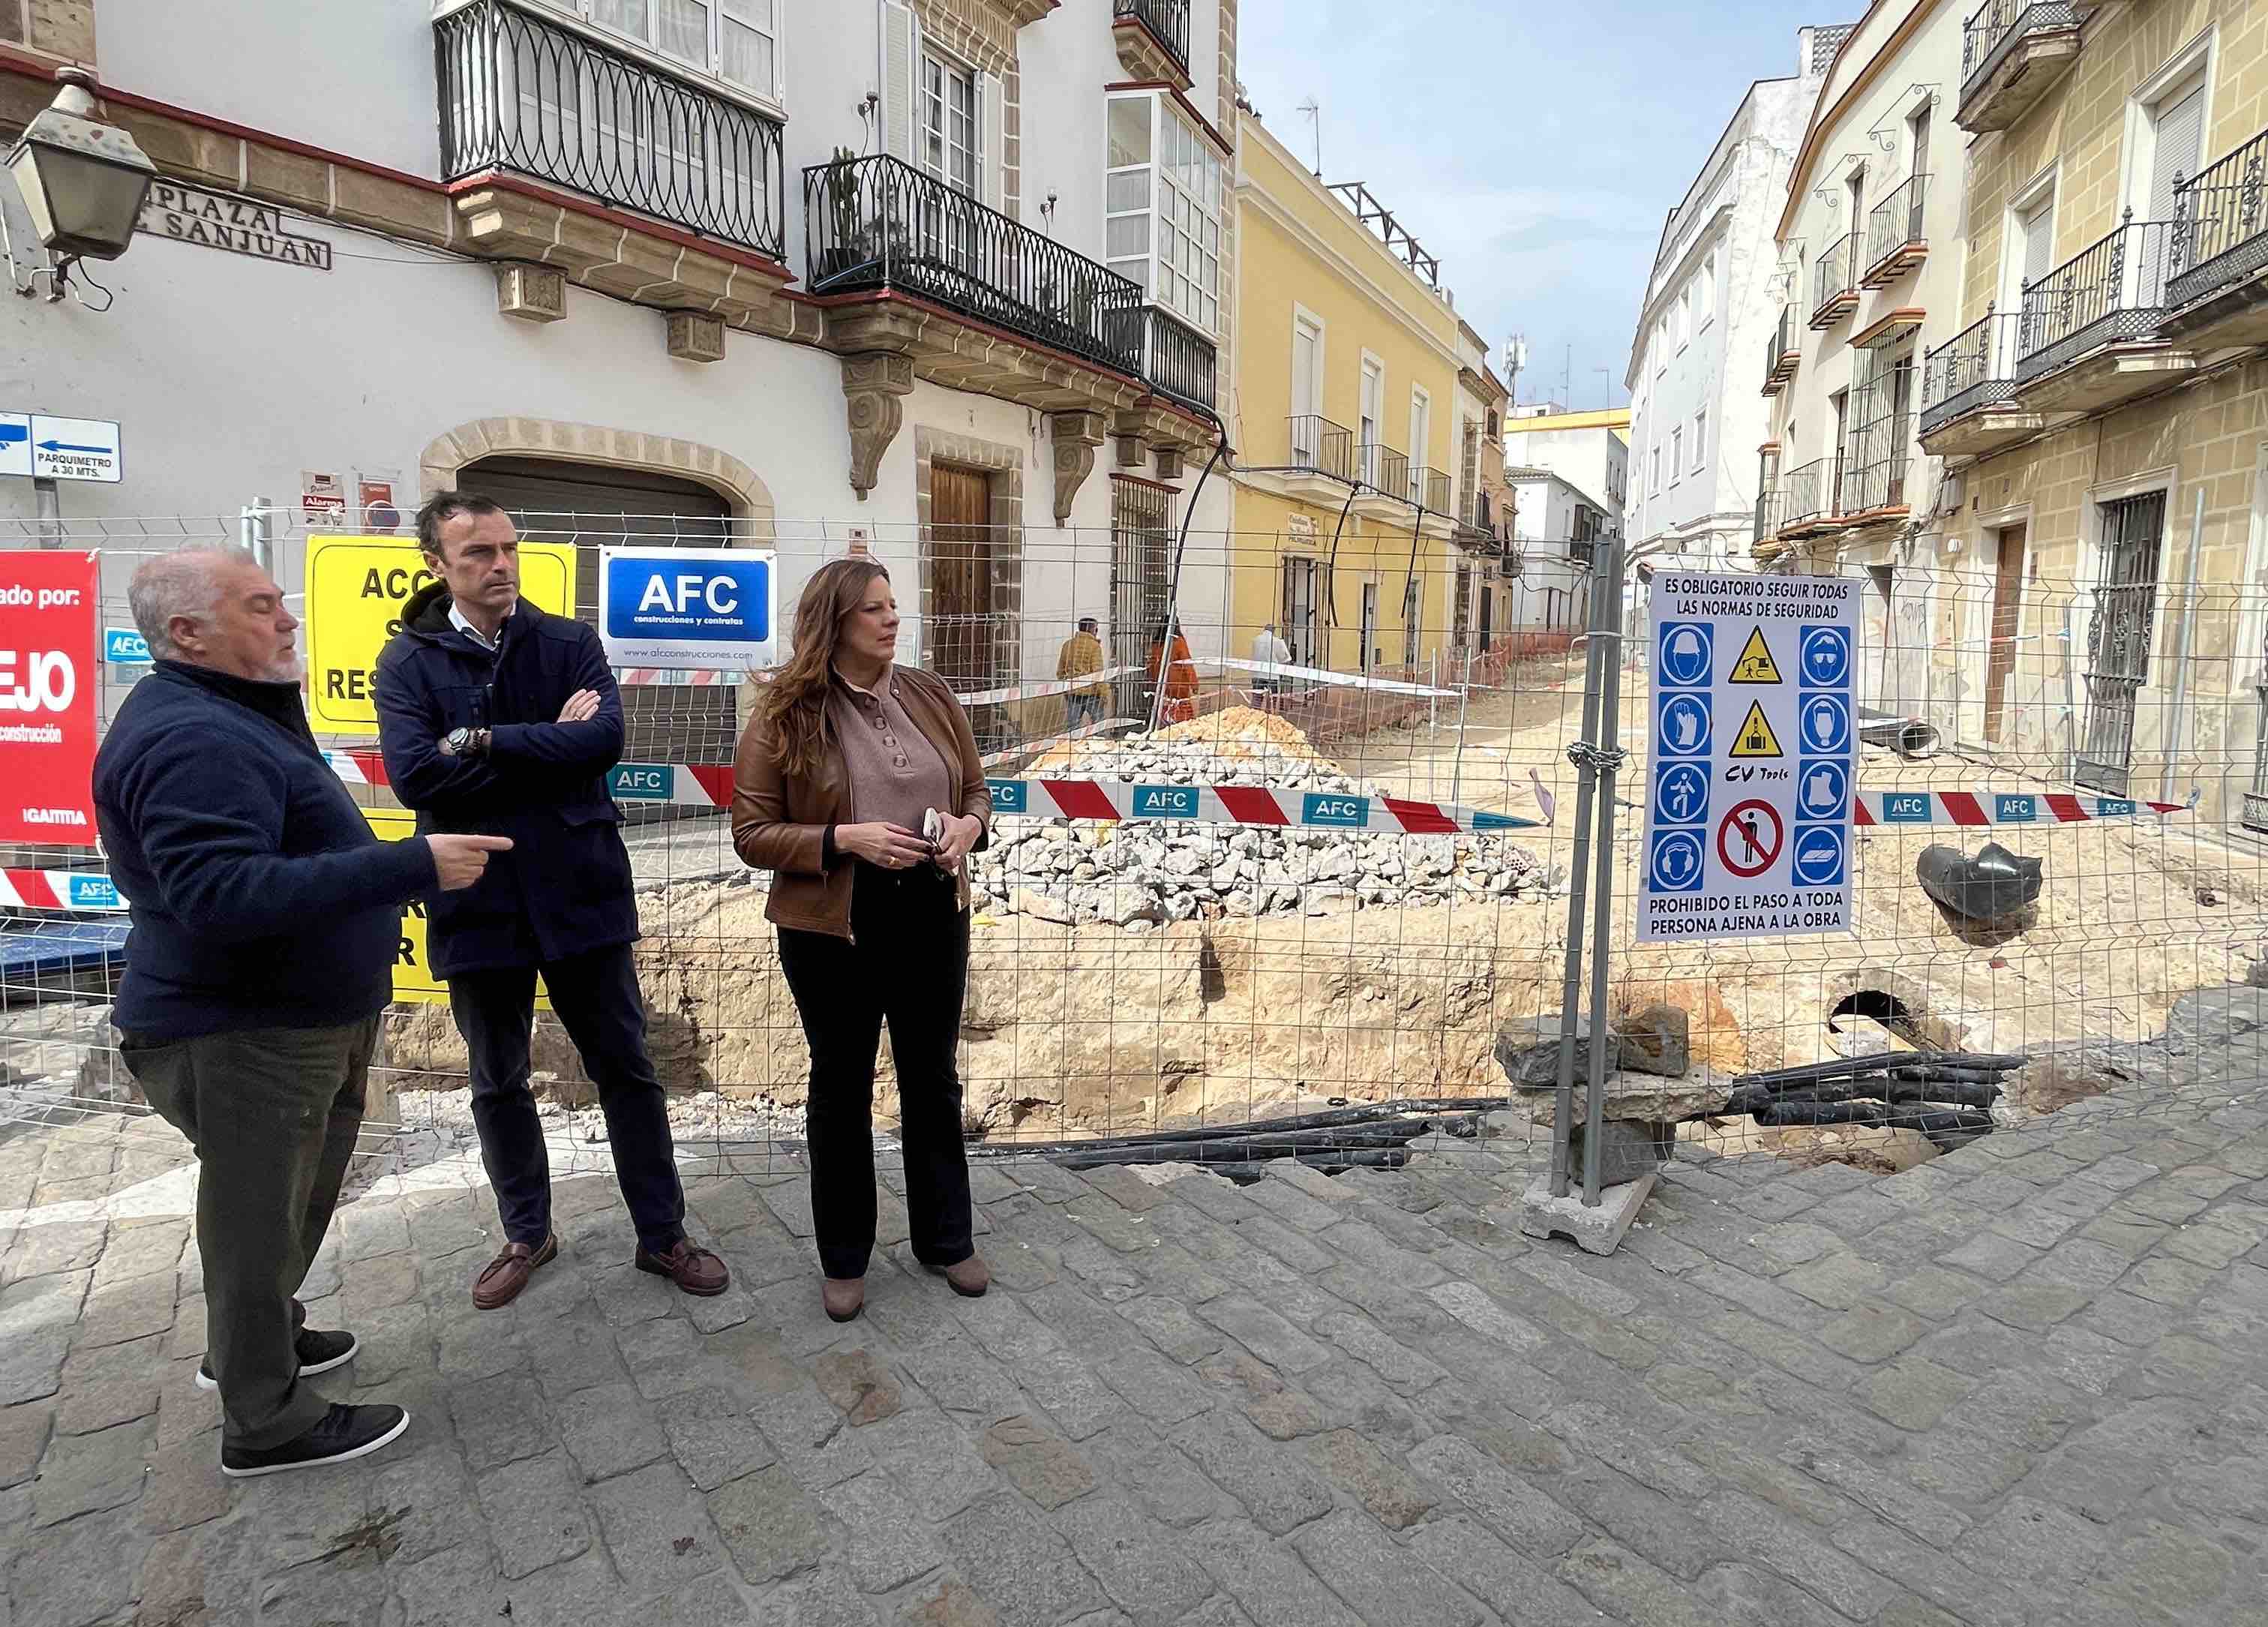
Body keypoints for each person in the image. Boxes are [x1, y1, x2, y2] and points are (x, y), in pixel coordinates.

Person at [94, 546, 512, 1477]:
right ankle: (266, 1420)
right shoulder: (192, 738)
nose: (288, 620)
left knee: (281, 1211)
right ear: (190, 633)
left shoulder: (224, 712)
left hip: (289, 1021)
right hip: (242, 1034)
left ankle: (260, 1341)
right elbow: (221, 893)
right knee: (254, 1221)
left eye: (280, 601)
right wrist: (413, 863)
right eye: (260, 606)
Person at [374, 494, 728, 1310]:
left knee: (627, 1071)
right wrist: (548, 745)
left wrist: (485, 739)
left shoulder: (568, 640)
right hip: (479, 900)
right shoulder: (408, 664)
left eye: (508, 548)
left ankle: (662, 1234)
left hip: (581, 891)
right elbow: (416, 777)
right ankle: (527, 1233)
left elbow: (603, 743)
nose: (501, 566)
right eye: (478, 555)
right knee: (497, 1080)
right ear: (437, 566)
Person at [730, 559, 993, 1325]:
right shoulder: (785, 714)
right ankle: (844, 1257)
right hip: (834, 921)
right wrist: (845, 838)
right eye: (872, 609)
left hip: (933, 909)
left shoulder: (930, 694)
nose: (890, 619)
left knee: (933, 1079)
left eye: (892, 606)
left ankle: (946, 1240)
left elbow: (975, 788)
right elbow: (751, 833)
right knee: (841, 1087)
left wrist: (968, 828)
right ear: (834, 623)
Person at [1055, 616, 1108, 735]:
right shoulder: (1094, 647)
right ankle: (1099, 749)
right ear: (1092, 629)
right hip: (1091, 694)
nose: (1096, 632)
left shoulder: (1067, 645)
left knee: (1072, 728)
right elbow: (1097, 673)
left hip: (1072, 693)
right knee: (1098, 725)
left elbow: (1060, 672)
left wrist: (1066, 689)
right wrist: (1104, 693)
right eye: (1096, 629)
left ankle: (1073, 751)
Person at [1147, 617, 1199, 725]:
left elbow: (1153, 665)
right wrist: (1194, 684)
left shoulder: (1156, 644)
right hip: (1179, 684)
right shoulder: (1178, 642)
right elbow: (1187, 664)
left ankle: (1166, 727)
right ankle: (1182, 731)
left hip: (1162, 684)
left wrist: (1154, 682)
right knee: (1184, 713)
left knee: (1165, 708)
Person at [1250, 620, 1292, 699]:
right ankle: (1273, 710)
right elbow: (1285, 658)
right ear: (1273, 631)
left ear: (1264, 630)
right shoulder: (1277, 641)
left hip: (1257, 673)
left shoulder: (1255, 640)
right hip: (1272, 674)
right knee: (1274, 697)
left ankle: (1255, 711)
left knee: (1257, 697)